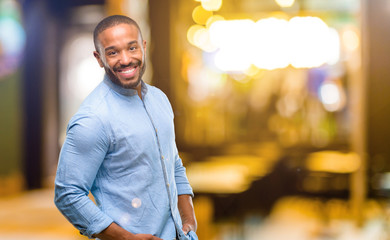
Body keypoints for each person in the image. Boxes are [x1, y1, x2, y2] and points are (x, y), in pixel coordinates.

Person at [54, 15, 198, 240]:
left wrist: (188, 220)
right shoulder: (93, 119)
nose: (125, 59)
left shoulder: (160, 99)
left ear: (143, 46)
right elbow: (67, 194)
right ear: (99, 58)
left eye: (132, 48)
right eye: (112, 52)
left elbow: (173, 164)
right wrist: (125, 238)